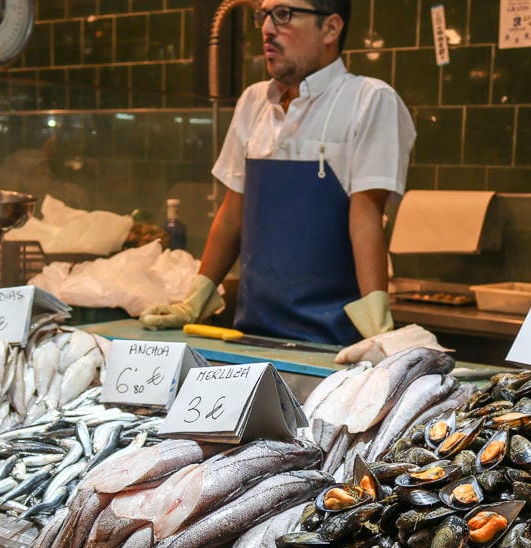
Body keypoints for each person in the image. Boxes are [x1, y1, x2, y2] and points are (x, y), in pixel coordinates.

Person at [140, 0, 415, 345]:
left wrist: (376, 326)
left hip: (332, 342)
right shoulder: (253, 102)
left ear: (331, 28)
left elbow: (366, 216)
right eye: (263, 16)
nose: (267, 29)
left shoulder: (369, 100)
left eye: (283, 15)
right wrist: (196, 298)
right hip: (253, 334)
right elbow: (231, 214)